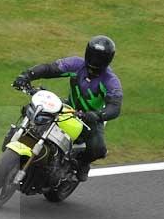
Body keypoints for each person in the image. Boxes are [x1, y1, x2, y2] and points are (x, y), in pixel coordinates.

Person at [12, 35, 123, 181]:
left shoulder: (111, 81)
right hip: (68, 107)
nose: (95, 61)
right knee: (34, 110)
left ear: (108, 60)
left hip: (91, 118)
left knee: (98, 149)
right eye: (93, 56)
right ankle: (20, 140)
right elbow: (49, 69)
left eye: (100, 58)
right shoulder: (76, 64)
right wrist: (26, 76)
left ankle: (83, 164)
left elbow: (115, 106)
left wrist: (98, 116)